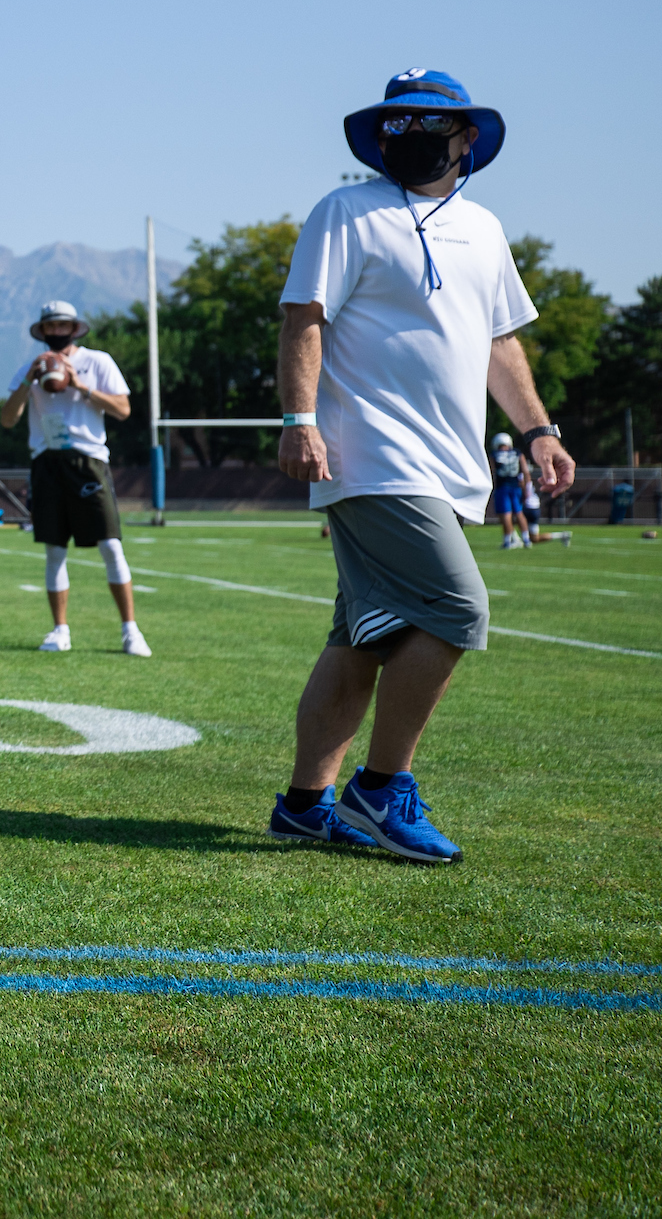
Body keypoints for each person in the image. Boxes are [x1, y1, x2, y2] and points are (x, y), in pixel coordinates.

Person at [269, 68, 573, 863]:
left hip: (450, 465)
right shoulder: (346, 210)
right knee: (456, 607)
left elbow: (501, 342)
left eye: (428, 123)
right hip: (370, 455)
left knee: (364, 639)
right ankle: (380, 788)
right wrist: (300, 420)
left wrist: (538, 428)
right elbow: (304, 318)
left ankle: (305, 805)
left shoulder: (486, 228)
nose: (410, 135)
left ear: (466, 137)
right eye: (396, 123)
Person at [0, 300, 149, 657]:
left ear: (74, 328)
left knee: (110, 544)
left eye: (62, 325)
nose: (56, 332)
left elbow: (124, 410)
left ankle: (131, 631)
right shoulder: (30, 367)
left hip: (88, 461)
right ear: (43, 330)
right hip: (47, 461)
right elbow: (7, 419)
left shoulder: (97, 361)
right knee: (54, 549)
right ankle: (59, 630)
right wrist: (28, 381)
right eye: (50, 326)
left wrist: (82, 386)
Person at [490, 432, 532, 548]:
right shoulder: (517, 453)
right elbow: (525, 471)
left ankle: (508, 540)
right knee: (519, 513)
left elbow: (491, 472)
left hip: (502, 487)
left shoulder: (495, 454)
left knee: (506, 514)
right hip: (516, 487)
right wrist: (527, 488)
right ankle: (526, 539)